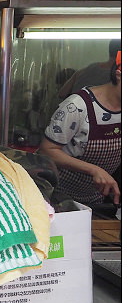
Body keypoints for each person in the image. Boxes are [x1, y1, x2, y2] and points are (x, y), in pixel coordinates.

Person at [38, 51, 121, 207]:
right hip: (58, 197)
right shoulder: (77, 106)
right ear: (119, 74)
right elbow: (47, 150)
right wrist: (94, 170)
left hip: (96, 199)